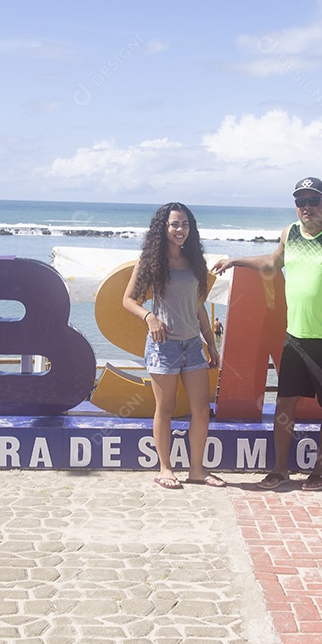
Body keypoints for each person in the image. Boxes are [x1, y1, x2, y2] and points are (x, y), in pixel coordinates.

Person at [212, 177, 322, 491]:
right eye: (301, 202)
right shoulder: (290, 232)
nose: (307, 207)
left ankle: (320, 471)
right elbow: (272, 261)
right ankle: (280, 470)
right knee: (284, 406)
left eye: (313, 201)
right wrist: (234, 260)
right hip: (295, 338)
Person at [123, 202, 224, 489]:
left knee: (202, 409)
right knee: (164, 408)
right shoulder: (151, 261)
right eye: (174, 224)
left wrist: (211, 344)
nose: (180, 230)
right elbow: (128, 299)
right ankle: (165, 468)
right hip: (162, 346)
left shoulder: (194, 261)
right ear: (163, 228)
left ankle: (197, 470)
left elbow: (199, 307)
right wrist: (149, 317)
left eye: (185, 225)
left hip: (193, 345)